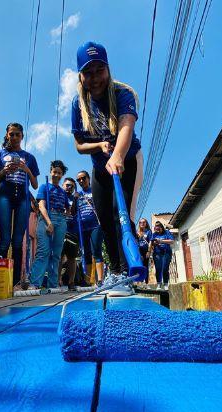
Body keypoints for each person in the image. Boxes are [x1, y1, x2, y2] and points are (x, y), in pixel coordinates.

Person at [71, 41, 143, 276]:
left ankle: (128, 273)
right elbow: (80, 146)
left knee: (120, 215)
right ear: (80, 76)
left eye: (99, 71)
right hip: (100, 169)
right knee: (104, 220)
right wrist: (100, 145)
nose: (95, 78)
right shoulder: (77, 104)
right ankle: (115, 273)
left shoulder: (124, 93)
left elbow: (125, 128)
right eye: (88, 73)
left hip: (128, 161)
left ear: (108, 69)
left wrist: (118, 155)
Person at [0, 123, 40, 288]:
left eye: (17, 134)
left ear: (22, 136)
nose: (14, 137)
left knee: (18, 240)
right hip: (4, 195)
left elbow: (35, 185)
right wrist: (3, 171)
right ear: (7, 136)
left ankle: (16, 281)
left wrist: (27, 169)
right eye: (11, 134)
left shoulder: (30, 157)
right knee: (4, 239)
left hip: (23, 198)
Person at [27, 160, 69, 290]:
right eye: (54, 171)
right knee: (43, 252)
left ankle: (53, 284)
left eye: (59, 173)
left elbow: (67, 209)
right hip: (46, 218)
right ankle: (34, 284)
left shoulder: (62, 192)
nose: (56, 174)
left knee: (56, 254)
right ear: (51, 171)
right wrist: (49, 223)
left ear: (62, 175)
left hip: (61, 220)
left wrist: (64, 216)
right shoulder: (44, 186)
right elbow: (41, 206)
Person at [75, 170, 104, 285]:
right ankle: (88, 281)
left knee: (96, 251)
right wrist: (75, 199)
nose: (81, 181)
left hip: (95, 225)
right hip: (83, 228)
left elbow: (102, 205)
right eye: (79, 180)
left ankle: (100, 280)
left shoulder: (94, 191)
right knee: (86, 254)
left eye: (83, 178)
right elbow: (73, 213)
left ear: (88, 178)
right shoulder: (78, 194)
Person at [60, 177, 80, 291]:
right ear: (63, 185)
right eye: (67, 185)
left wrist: (76, 199)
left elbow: (74, 212)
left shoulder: (75, 198)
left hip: (73, 231)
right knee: (59, 257)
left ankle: (71, 282)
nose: (69, 187)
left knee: (72, 258)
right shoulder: (59, 196)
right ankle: (58, 281)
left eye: (72, 186)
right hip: (60, 230)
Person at [150, 221, 174, 290]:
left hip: (166, 253)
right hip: (157, 253)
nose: (157, 230)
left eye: (158, 228)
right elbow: (151, 243)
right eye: (156, 228)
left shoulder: (167, 232)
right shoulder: (154, 234)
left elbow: (172, 241)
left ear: (161, 227)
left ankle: (166, 284)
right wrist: (154, 243)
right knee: (158, 269)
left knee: (165, 268)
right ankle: (159, 284)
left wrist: (161, 241)